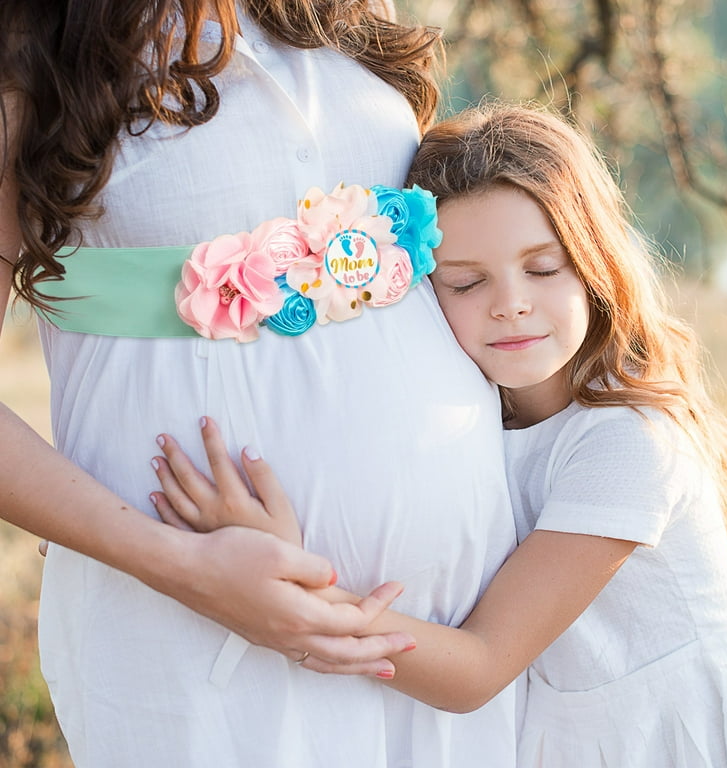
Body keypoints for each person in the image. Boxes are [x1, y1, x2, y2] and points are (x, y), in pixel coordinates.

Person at [153, 102, 727, 767]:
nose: (511, 302)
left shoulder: (628, 443)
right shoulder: (479, 424)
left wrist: (293, 584)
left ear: (595, 265)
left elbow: (477, 667)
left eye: (543, 268)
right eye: (467, 282)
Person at [0, 3, 522, 767]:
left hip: (444, 620)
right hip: (196, 626)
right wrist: (184, 569)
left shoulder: (338, 9)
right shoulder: (35, 37)